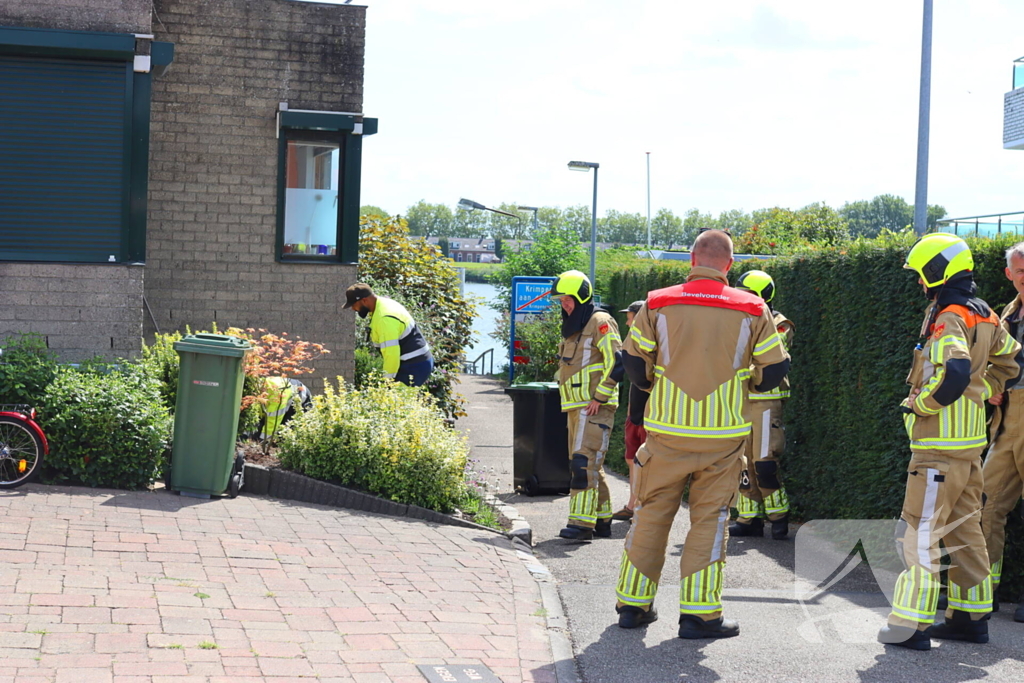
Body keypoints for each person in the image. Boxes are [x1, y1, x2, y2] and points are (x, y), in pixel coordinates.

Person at [615, 230, 790, 639]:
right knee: (710, 521)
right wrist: (741, 385)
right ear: (729, 266)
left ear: (692, 258)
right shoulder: (753, 307)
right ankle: (699, 616)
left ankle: (633, 607)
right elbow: (775, 371)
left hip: (666, 435)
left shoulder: (657, 301)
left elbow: (635, 365)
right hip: (722, 437)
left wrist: (659, 386)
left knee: (651, 514)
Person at [878, 233, 1021, 651]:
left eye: (922, 275)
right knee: (966, 532)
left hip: (937, 445)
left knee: (920, 532)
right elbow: (1011, 360)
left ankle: (911, 625)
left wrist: (921, 404)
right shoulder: (987, 314)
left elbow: (955, 370)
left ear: (938, 270)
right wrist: (986, 386)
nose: (921, 283)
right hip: (970, 445)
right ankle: (970, 619)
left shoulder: (950, 316)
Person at [550, 270, 623, 542]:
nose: (564, 305)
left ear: (581, 296)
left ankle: (581, 525)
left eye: (567, 299)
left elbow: (618, 362)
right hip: (576, 408)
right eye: (561, 300)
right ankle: (602, 520)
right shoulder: (575, 327)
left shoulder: (600, 321)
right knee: (591, 465)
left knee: (582, 464)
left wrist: (599, 398)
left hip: (593, 408)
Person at [729, 270, 794, 540]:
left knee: (764, 464)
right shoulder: (736, 322)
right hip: (740, 401)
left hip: (766, 401)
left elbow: (769, 356)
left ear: (760, 296)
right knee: (742, 463)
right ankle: (748, 519)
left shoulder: (779, 323)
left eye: (746, 293)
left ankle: (779, 516)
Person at [980, 241, 1024, 624]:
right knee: (987, 505)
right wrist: (993, 386)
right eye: (1021, 270)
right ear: (1009, 275)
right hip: (1007, 420)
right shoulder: (1007, 312)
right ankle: (982, 593)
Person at [343, 283, 434, 387]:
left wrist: (386, 384)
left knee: (397, 400)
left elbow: (391, 355)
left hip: (413, 367)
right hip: (416, 362)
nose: (353, 309)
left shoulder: (384, 319)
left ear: (364, 300)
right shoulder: (383, 304)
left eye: (354, 305)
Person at [612, 300, 648, 522]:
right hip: (634, 412)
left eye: (630, 316)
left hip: (650, 415)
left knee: (645, 462)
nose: (627, 321)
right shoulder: (632, 341)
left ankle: (642, 507)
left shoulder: (654, 341)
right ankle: (632, 504)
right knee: (631, 459)